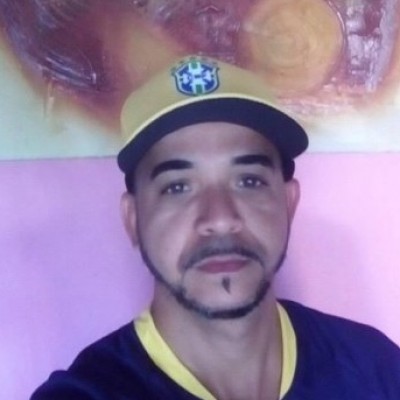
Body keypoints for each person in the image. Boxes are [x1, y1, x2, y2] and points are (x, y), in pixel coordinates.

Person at [31, 55, 400, 400]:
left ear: (288, 204)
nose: (221, 218)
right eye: (177, 187)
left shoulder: (376, 367)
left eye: (249, 181)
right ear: (132, 219)